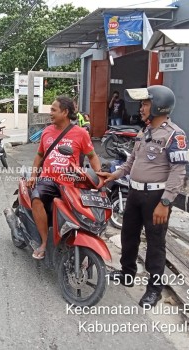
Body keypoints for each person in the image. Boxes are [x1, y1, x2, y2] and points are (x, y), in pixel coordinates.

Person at [98, 85, 188, 308]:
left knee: (155, 244)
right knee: (129, 236)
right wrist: (114, 175)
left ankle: (154, 289)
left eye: (146, 104)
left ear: (159, 106)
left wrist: (165, 202)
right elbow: (131, 163)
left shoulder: (174, 135)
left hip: (156, 197)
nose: (141, 108)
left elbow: (179, 171)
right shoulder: (144, 132)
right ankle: (127, 273)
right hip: (135, 193)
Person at [27, 96, 102, 259]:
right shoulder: (47, 131)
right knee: (37, 198)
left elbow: (93, 156)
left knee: (83, 212)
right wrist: (34, 176)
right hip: (48, 179)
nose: (50, 113)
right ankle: (45, 242)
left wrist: (100, 177)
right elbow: (39, 155)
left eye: (54, 110)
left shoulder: (81, 133)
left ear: (65, 112)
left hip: (71, 182)